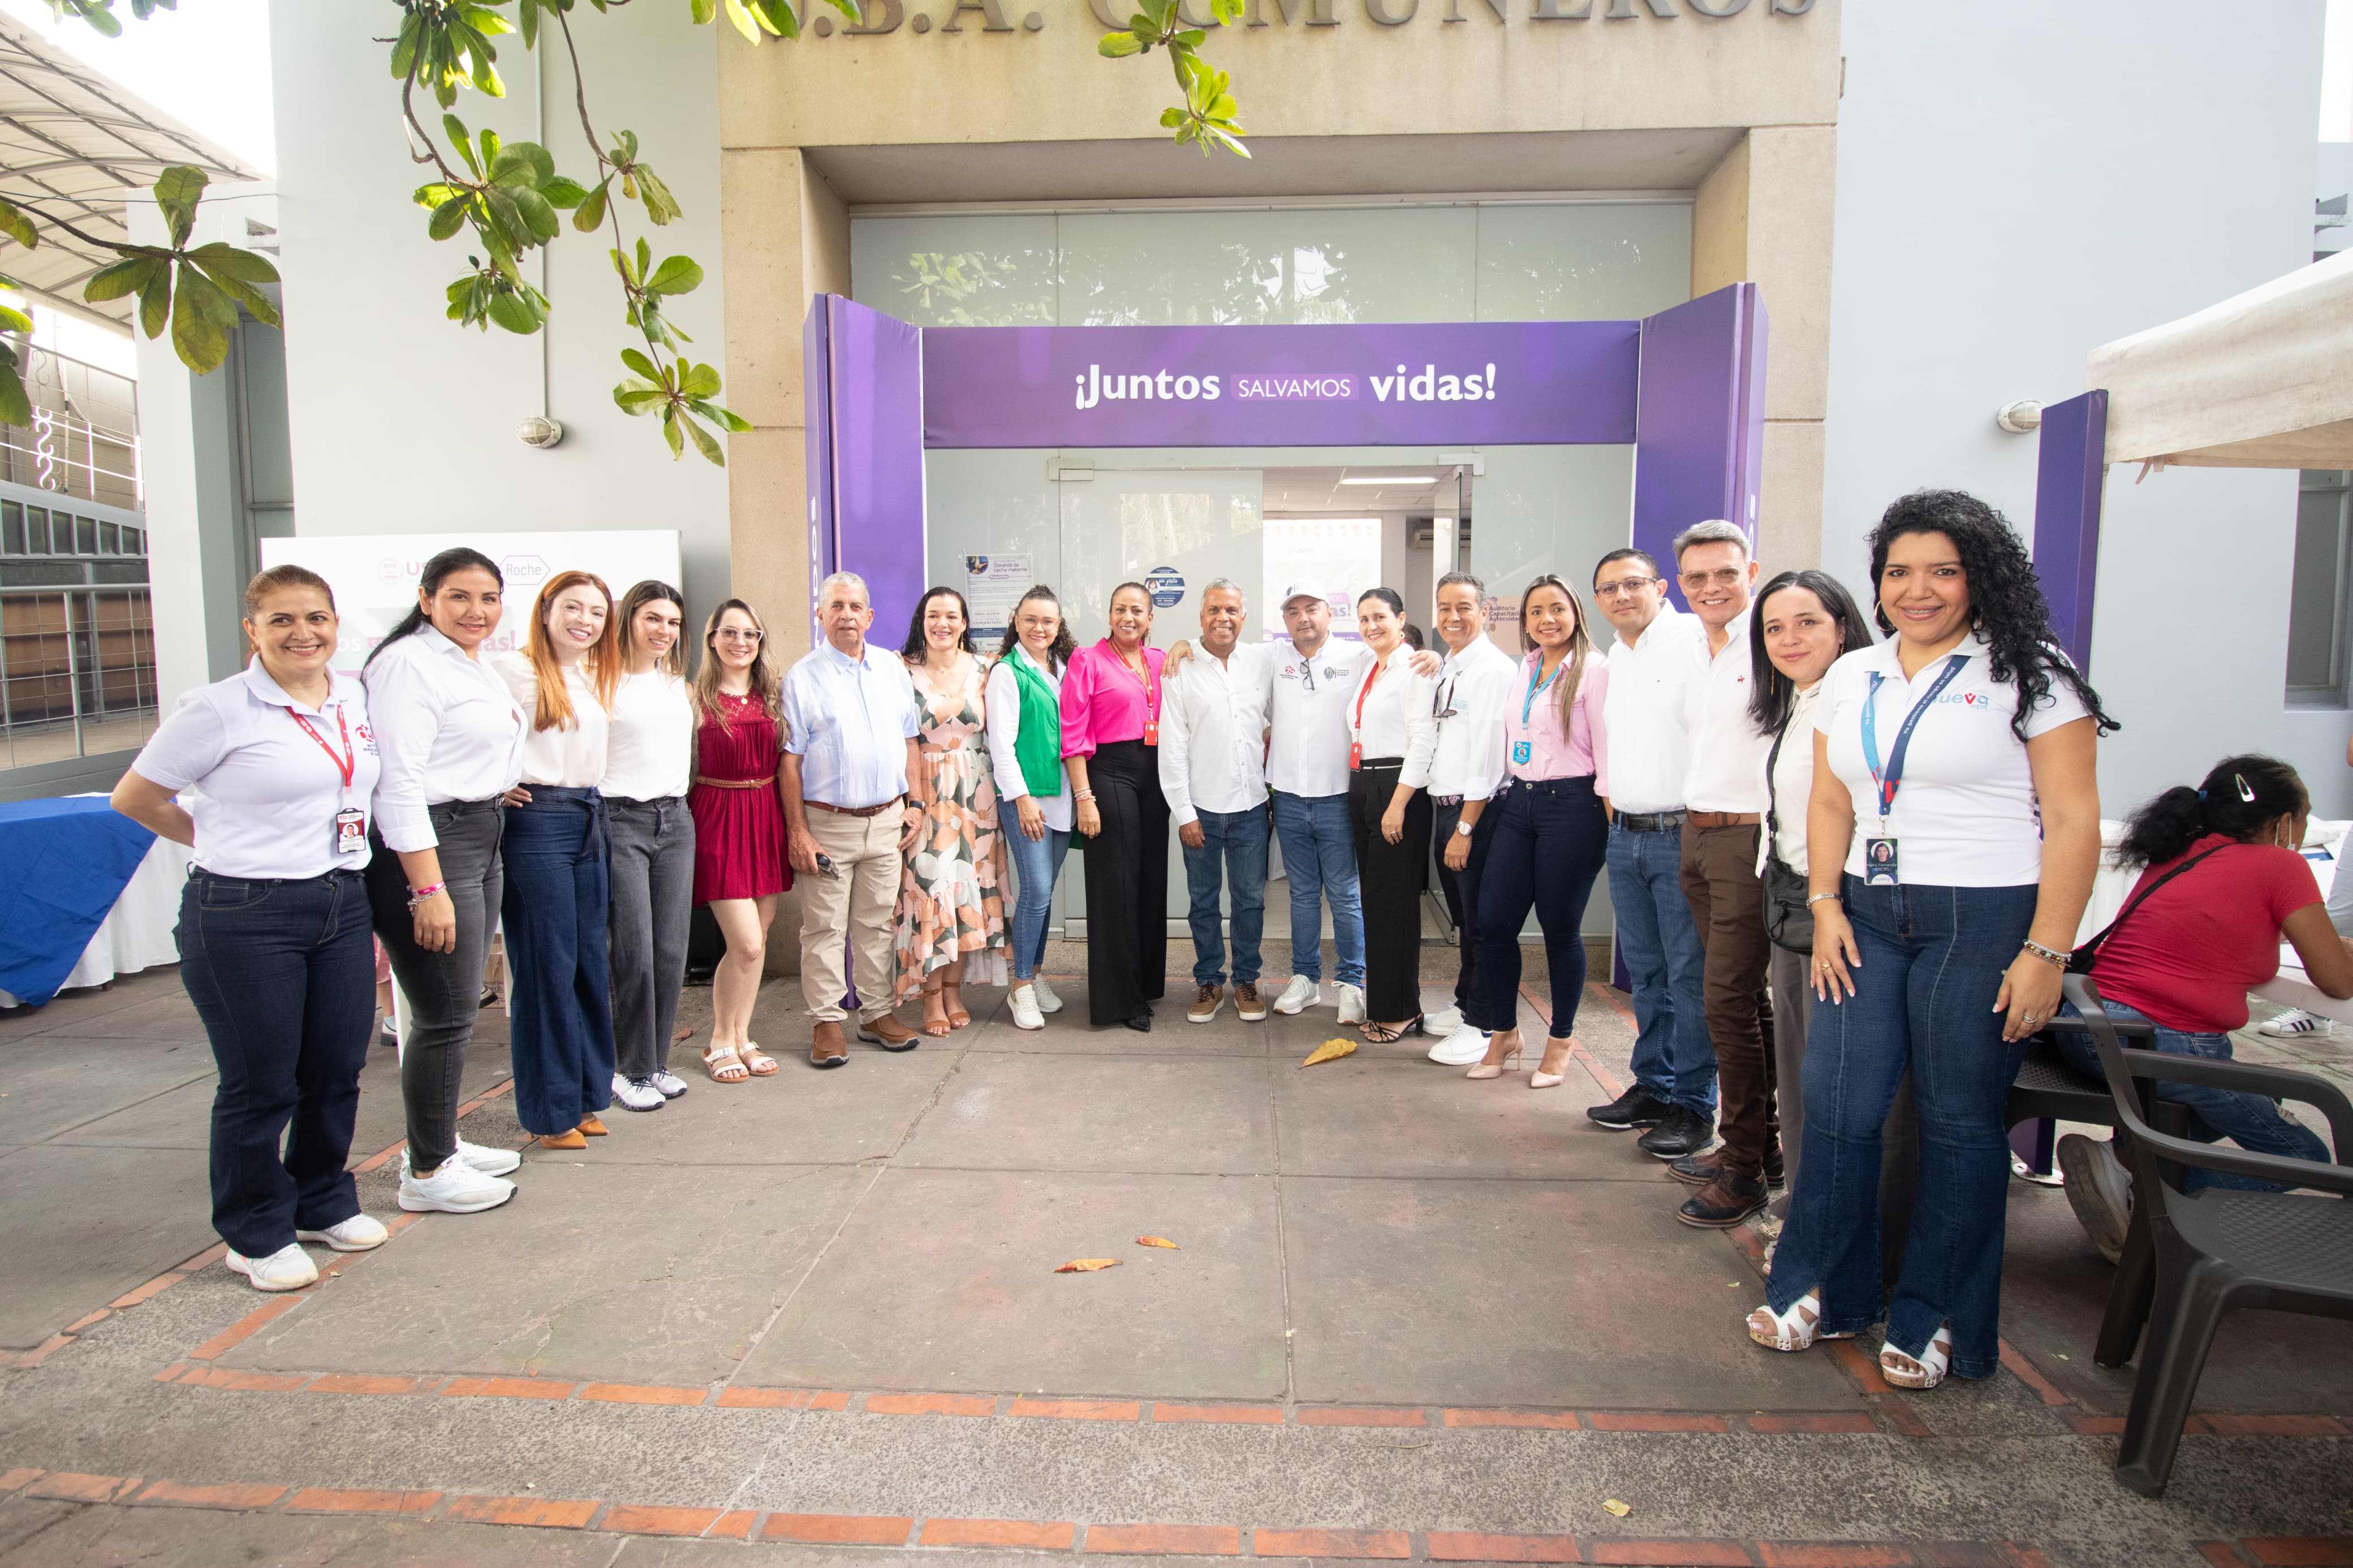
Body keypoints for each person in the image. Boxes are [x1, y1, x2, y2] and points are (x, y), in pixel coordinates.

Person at [1750, 489, 2114, 1392]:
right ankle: (1823, 1288)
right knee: (1839, 1106)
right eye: (1900, 571)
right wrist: (1827, 902)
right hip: (1865, 913)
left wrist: (2046, 953)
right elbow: (1832, 797)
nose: (1919, 589)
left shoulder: (2033, 675)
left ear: (1979, 577)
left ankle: (1939, 1311)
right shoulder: (1856, 673)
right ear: (1878, 583)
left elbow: (2073, 822)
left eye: (1943, 571)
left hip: (1981, 919)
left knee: (1958, 1121)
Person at [111, 566, 390, 1290]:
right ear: (253, 629)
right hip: (244, 912)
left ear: (335, 624)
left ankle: (321, 1199)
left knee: (334, 1070)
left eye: (316, 618)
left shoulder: (350, 695)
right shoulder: (218, 708)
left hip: (339, 898)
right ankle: (254, 1229)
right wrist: (217, 842)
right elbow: (136, 796)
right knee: (261, 1084)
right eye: (283, 620)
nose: (303, 633)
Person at [2052, 756, 2353, 1261]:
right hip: (2160, 1043)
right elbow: (2338, 981)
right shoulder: (2282, 866)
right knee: (2303, 1153)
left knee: (2209, 1108)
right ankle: (2140, 1195)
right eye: (2303, 817)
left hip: (2087, 1025)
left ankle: (2119, 1161)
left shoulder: (2180, 852)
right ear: (2282, 823)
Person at [1735, 569, 1918, 1261]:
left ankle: (1851, 1236)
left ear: (1843, 624)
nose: (1787, 639)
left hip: (1842, 911)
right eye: (1773, 627)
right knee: (1801, 1067)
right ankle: (1808, 1207)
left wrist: (1833, 902)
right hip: (1793, 904)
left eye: (1805, 622)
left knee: (1849, 1081)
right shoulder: (1803, 701)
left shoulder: (1864, 705)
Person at [361, 547, 525, 1215]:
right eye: (460, 597)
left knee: (454, 1007)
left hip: (476, 831)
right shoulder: (406, 664)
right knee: (446, 1012)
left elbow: (459, 749)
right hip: (433, 845)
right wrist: (427, 888)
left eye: (488, 598)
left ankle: (439, 1141)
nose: (476, 611)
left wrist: (493, 787)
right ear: (426, 598)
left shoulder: (463, 661)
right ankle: (427, 1172)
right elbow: (398, 782)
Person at [1665, 520, 1777, 1228]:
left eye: (1724, 574)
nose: (1710, 588)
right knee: (1746, 1004)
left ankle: (1742, 1173)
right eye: (1696, 578)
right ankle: (1759, 1149)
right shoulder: (1697, 651)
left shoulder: (1771, 644)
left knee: (1728, 1003)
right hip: (1698, 833)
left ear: (1751, 571)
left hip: (1747, 839)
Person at [1588, 548, 1716, 1157]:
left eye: (1632, 584)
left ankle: (1694, 1105)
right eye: (1608, 588)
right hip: (1626, 834)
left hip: (1679, 835)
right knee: (1647, 972)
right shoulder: (1618, 653)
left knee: (1689, 976)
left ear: (1661, 587)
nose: (1621, 596)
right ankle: (1654, 1085)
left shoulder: (1694, 638)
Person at [491, 571, 621, 1152]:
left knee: (588, 961)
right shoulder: (510, 672)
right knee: (546, 967)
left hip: (589, 817)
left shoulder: (590, 675)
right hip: (537, 821)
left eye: (596, 612)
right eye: (573, 607)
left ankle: (588, 1094)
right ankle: (550, 1111)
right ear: (545, 610)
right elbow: (465, 739)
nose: (585, 621)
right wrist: (496, 786)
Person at [1464, 576, 1610, 1085]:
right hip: (1520, 801)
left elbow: (1607, 752)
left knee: (1558, 927)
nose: (1547, 619)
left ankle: (1561, 1038)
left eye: (1557, 609)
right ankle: (1504, 1033)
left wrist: (1611, 821)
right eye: (1535, 612)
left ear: (1576, 613)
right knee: (1495, 920)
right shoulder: (1524, 667)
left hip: (1574, 805)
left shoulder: (1595, 670)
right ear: (1524, 621)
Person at [783, 572, 927, 1065]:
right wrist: (798, 831)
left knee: (876, 924)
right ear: (820, 615)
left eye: (855, 606)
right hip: (828, 824)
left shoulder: (890, 667)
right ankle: (826, 1023)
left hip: (887, 820)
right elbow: (790, 761)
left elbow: (910, 739)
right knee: (824, 927)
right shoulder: (801, 677)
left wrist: (917, 802)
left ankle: (877, 1013)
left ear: (870, 615)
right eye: (836, 605)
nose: (847, 614)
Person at [895, 586, 1010, 1036]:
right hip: (927, 789)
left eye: (951, 616)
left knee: (968, 892)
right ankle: (928, 996)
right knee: (931, 888)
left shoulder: (986, 669)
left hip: (977, 796)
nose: (942, 623)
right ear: (922, 620)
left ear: (965, 623)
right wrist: (912, 799)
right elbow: (902, 739)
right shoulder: (901, 669)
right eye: (933, 615)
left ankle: (954, 991)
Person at [1158, 579, 1273, 1025]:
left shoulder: (1262, 662)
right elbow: (1172, 746)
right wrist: (1183, 811)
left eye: (1231, 610)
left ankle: (1246, 980)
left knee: (1250, 900)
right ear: (1200, 616)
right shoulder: (1180, 668)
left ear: (1244, 616)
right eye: (1213, 610)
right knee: (1203, 901)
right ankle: (1209, 980)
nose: (1222, 618)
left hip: (1250, 808)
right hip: (1201, 808)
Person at [603, 579, 696, 1112]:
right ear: (629, 620)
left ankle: (655, 1062)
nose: (663, 630)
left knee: (669, 950)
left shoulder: (674, 685)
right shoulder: (604, 682)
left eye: (672, 622)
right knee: (633, 951)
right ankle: (629, 1068)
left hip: (675, 819)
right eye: (653, 619)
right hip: (622, 820)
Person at [688, 599, 790, 1082]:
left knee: (758, 940)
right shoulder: (695, 699)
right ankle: (717, 1040)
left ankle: (742, 1035)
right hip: (719, 817)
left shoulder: (773, 696)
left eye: (750, 634)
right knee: (745, 941)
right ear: (713, 639)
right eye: (730, 633)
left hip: (765, 814)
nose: (740, 643)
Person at [1062, 582, 1171, 1031]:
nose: (1129, 617)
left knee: (1150, 882)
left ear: (1150, 618)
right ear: (1109, 615)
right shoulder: (1087, 660)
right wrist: (1084, 798)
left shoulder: (1161, 660)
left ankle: (1145, 983)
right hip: (1108, 774)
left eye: (1138, 610)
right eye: (1121, 609)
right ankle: (1119, 1000)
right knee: (1117, 888)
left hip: (1156, 777)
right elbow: (1071, 734)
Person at [1421, 572, 1516, 1068]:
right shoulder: (1452, 664)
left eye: (1463, 607)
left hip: (1474, 811)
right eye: (1444, 607)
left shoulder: (1493, 671)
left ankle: (1484, 1024)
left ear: (1485, 611)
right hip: (1448, 805)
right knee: (1465, 920)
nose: (1452, 617)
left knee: (1480, 923)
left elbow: (1488, 757)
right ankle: (1466, 1005)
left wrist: (1465, 827)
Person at [1265, 584, 1372, 1021]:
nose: (1303, 617)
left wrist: (1433, 656)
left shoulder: (1358, 657)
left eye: (1312, 609)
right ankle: (1305, 978)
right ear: (1285, 619)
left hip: (1338, 797)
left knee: (1345, 894)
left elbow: (1402, 657)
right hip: (1288, 796)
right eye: (1293, 611)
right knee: (1303, 894)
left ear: (1330, 614)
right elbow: (1219, 646)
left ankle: (1351, 982)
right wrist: (1182, 645)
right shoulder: (1272, 657)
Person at [1347, 586, 1440, 1043]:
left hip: (1397, 788)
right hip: (1364, 781)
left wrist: (1398, 804)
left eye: (1380, 617)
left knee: (1396, 904)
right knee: (1376, 903)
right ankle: (1386, 1000)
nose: (1371, 626)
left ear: (1401, 619)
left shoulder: (1415, 667)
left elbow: (1422, 740)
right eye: (1363, 618)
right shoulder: (1371, 666)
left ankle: (1400, 1009)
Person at [986, 585, 1077, 1032]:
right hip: (1029, 799)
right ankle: (1020, 986)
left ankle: (1035, 975)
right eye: (1031, 620)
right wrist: (1020, 798)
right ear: (1016, 620)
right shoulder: (1008, 672)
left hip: (1061, 795)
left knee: (1044, 894)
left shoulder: (1064, 667)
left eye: (1049, 621)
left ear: (1059, 626)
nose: (1040, 628)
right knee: (1037, 891)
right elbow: (1000, 745)